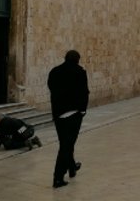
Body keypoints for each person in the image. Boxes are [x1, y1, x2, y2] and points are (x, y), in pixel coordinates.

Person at [47, 50, 89, 189]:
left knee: (65, 142)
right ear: (77, 59)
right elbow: (84, 92)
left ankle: (72, 168)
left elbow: (51, 89)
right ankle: (58, 177)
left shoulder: (54, 72)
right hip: (73, 114)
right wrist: (83, 110)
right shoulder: (80, 72)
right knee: (66, 145)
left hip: (59, 115)